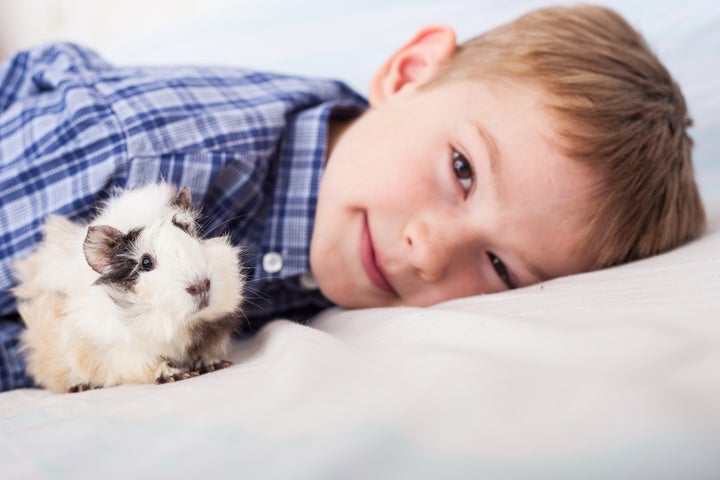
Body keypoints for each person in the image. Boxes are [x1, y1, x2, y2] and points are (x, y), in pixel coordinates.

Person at [0, 4, 706, 391]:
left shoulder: (335, 234)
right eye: (461, 168)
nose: (428, 250)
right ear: (409, 72)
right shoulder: (144, 157)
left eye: (499, 267)